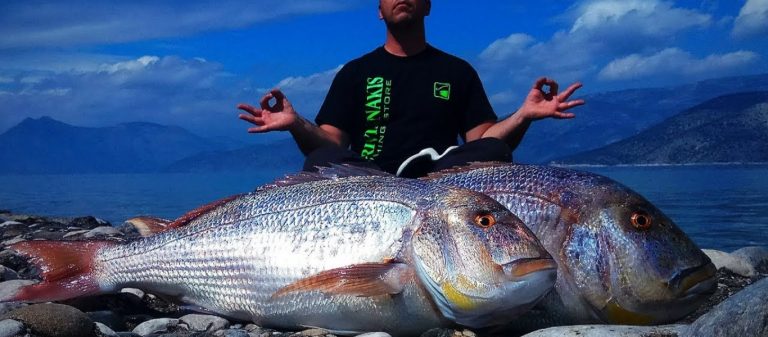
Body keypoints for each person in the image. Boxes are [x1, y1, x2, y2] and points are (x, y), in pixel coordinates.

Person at [238, 0, 584, 178]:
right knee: (320, 160)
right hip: (369, 181)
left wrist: (524, 115)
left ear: (428, 6)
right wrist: (295, 123)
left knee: (496, 153)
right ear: (379, 11)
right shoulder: (356, 73)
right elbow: (330, 144)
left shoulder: (456, 71)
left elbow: (483, 141)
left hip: (440, 181)